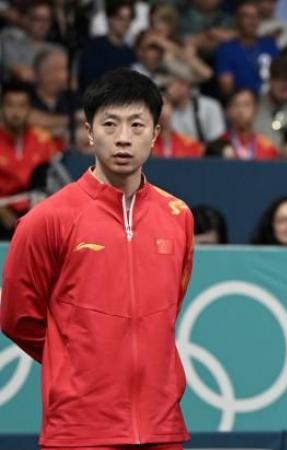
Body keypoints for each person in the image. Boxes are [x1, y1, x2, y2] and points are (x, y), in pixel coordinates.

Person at [1, 68, 194, 449]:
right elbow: (18, 318)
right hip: (79, 430)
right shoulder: (46, 219)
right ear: (90, 132)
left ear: (155, 135)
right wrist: (77, 359)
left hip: (162, 426)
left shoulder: (178, 216)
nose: (123, 138)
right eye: (110, 124)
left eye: (137, 125)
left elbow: (171, 305)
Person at [0, 80, 60, 240]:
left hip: (37, 212)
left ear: (30, 109)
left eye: (22, 106)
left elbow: (57, 181)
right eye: (10, 105)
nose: (16, 112)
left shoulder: (44, 140)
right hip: (3, 213)